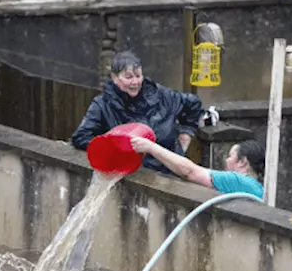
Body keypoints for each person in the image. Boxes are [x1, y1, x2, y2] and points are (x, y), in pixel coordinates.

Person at [71, 51, 205, 177]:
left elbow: (194, 103)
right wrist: (111, 147)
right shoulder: (103, 104)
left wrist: (186, 135)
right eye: (128, 77)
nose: (135, 82)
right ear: (114, 78)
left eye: (138, 75)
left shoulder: (161, 95)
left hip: (170, 173)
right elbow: (81, 137)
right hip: (131, 176)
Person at [129, 136, 266, 200]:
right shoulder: (259, 188)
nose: (227, 160)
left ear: (242, 162)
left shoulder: (238, 181)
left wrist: (151, 147)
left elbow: (189, 172)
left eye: (230, 156)